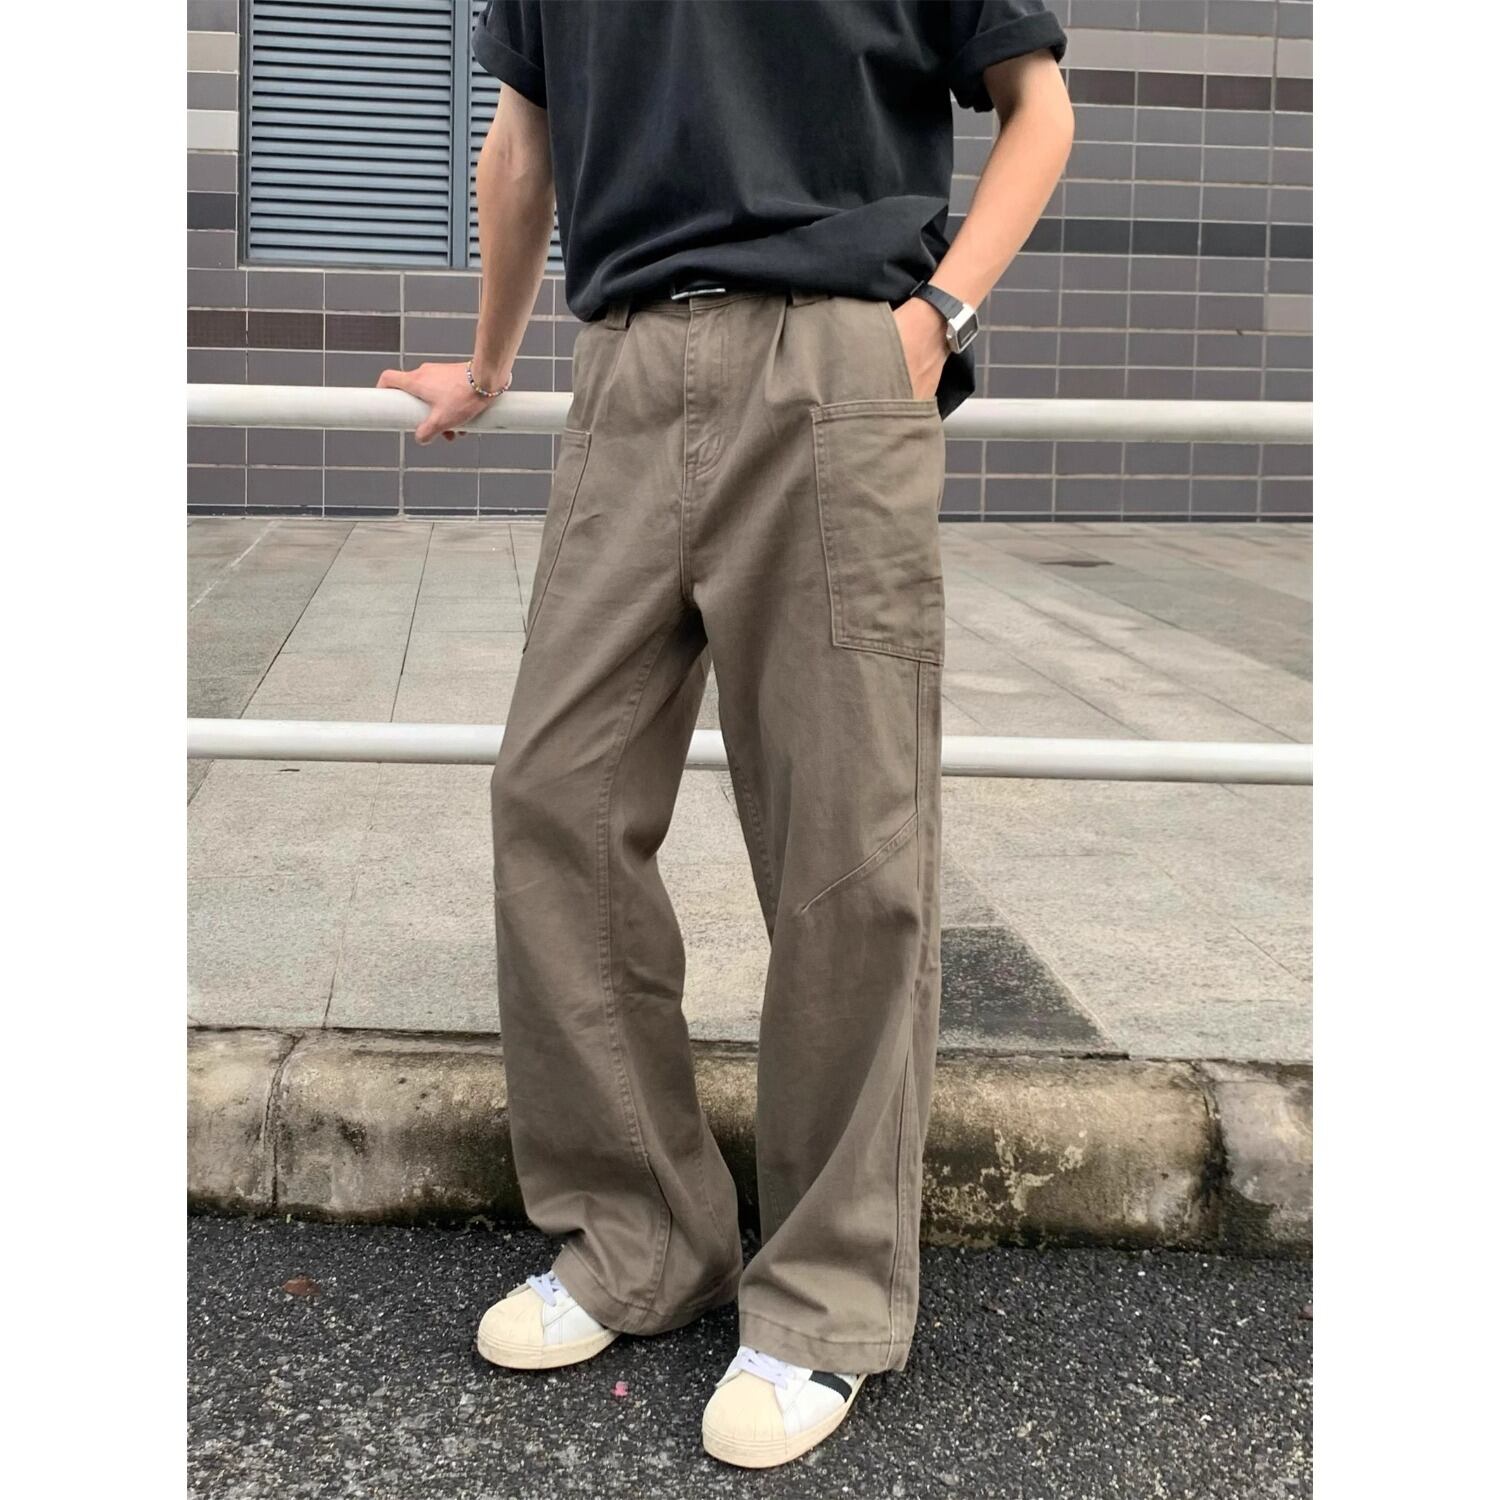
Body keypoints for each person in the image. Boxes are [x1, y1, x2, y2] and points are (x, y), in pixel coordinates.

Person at [377, 0, 1072, 1470]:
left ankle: (825, 1294)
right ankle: (639, 1238)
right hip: (625, 366)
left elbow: (1039, 106)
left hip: (835, 358)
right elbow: (522, 145)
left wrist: (934, 321)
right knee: (553, 796)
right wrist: (490, 368)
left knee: (845, 838)